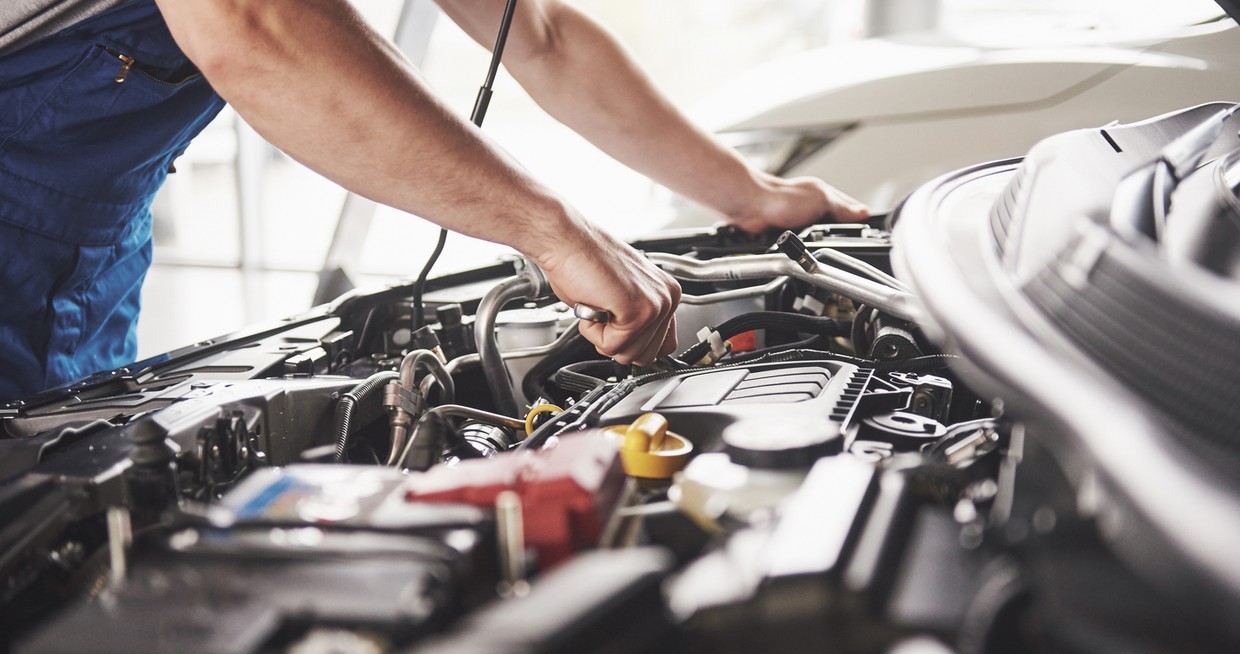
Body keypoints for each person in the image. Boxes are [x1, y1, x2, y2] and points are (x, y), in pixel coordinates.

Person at [0, 0, 868, 402]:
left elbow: (542, 37)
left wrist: (752, 197)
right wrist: (551, 231)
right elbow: (252, 23)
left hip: (84, 244)